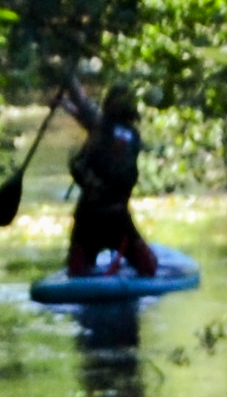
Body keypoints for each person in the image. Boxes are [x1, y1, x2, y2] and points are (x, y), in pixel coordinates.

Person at [54, 76, 157, 278]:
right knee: (148, 269)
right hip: (112, 216)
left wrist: (68, 80)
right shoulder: (129, 133)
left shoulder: (102, 126)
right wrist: (65, 103)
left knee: (77, 271)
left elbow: (85, 110)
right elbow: (87, 116)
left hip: (97, 216)